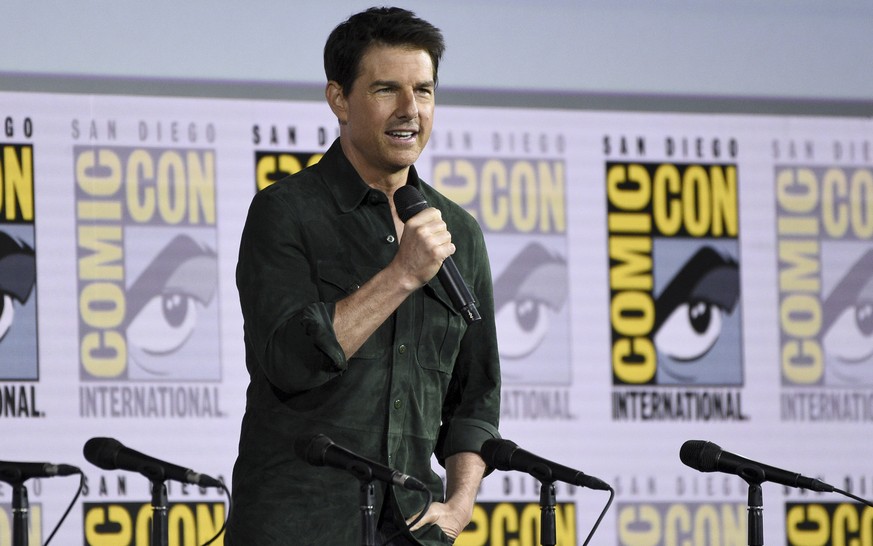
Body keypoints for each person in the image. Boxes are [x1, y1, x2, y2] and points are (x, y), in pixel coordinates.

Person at [225, 7, 501, 545]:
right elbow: (288, 360)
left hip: (414, 529)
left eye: (423, 91)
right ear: (339, 100)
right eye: (385, 90)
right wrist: (402, 274)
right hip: (297, 525)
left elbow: (476, 397)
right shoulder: (285, 212)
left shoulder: (458, 233)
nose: (409, 110)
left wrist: (460, 504)